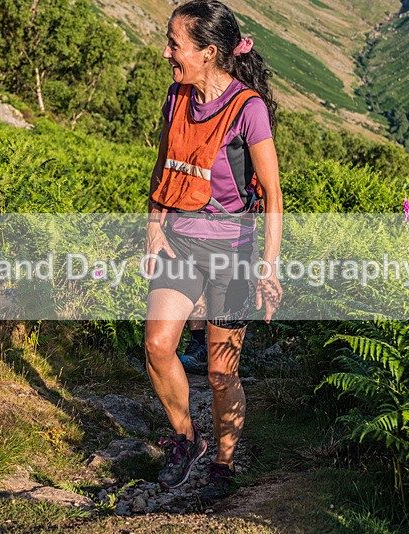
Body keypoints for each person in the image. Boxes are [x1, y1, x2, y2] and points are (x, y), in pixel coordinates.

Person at [145, 0, 283, 502]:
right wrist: (154, 224)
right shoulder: (176, 96)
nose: (166, 53)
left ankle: (224, 464)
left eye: (174, 45)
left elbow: (273, 194)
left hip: (232, 254)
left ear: (208, 52)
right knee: (158, 345)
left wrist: (268, 267)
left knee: (222, 373)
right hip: (179, 241)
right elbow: (165, 164)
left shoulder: (249, 109)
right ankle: (187, 441)